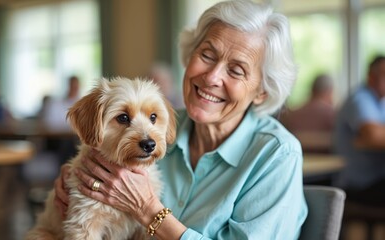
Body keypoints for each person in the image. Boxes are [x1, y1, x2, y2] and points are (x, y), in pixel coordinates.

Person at [53, 1, 308, 239]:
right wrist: (74, 180)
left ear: (262, 92)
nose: (212, 77)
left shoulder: (277, 155)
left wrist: (149, 211)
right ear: (190, 55)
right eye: (207, 55)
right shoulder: (162, 127)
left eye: (236, 70)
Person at [334, 55, 385, 206]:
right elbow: (374, 136)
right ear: (371, 77)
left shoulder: (380, 103)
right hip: (359, 184)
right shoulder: (360, 98)